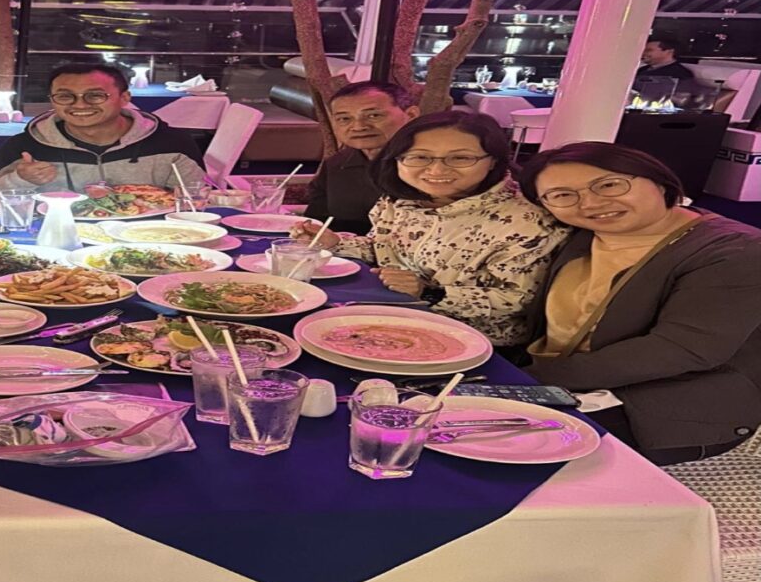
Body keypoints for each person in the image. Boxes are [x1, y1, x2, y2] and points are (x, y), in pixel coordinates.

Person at [519, 142, 761, 464]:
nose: (590, 203)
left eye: (609, 185)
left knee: (508, 443)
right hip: (563, 374)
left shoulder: (735, 252)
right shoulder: (583, 234)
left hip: (668, 404)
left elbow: (681, 349)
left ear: (659, 181)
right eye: (562, 195)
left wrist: (529, 380)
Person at [296, 111, 568, 347]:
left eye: (460, 158)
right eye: (419, 157)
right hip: (390, 315)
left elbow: (515, 300)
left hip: (470, 342)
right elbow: (383, 247)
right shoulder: (403, 199)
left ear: (494, 161)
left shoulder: (528, 222)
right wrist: (335, 243)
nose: (436, 170)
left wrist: (428, 291)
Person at [0, 62, 206, 194]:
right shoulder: (27, 145)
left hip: (150, 241)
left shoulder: (172, 144)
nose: (80, 105)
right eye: (65, 96)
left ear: (125, 98)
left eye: (95, 96)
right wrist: (20, 180)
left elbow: (198, 199)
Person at [303, 80, 420, 235]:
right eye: (344, 119)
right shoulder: (338, 164)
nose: (358, 127)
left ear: (411, 115)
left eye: (373, 115)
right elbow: (317, 223)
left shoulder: (430, 166)